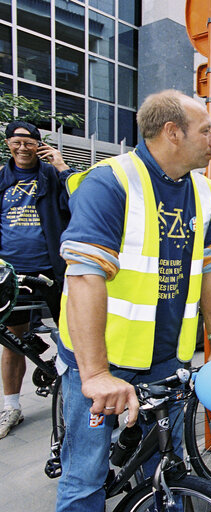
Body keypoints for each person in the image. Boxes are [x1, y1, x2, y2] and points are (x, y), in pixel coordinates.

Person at [55, 90, 211, 511]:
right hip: (103, 361)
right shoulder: (110, 180)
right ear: (172, 133)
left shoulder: (205, 192)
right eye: (206, 131)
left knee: (167, 471)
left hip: (167, 361)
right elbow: (85, 277)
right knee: (85, 478)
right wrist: (97, 373)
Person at [0, 121, 74, 439]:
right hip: (12, 273)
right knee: (13, 341)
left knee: (72, 336)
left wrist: (61, 166)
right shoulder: (2, 179)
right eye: (16, 141)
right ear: (8, 144)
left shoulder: (51, 177)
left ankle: (74, 401)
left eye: (29, 142)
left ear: (38, 145)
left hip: (52, 270)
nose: (22, 147)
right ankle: (11, 406)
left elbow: (79, 200)